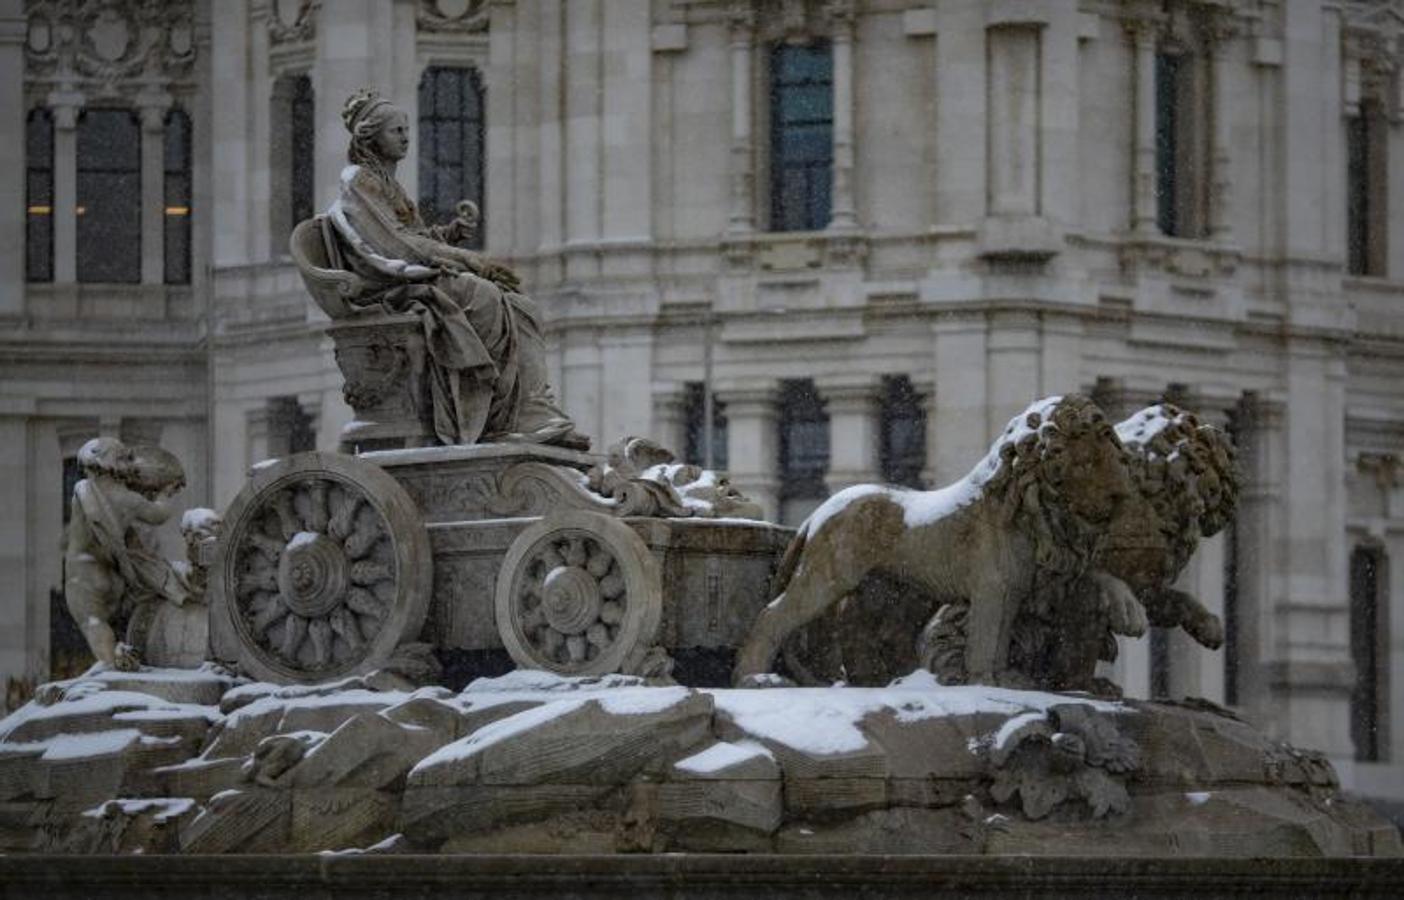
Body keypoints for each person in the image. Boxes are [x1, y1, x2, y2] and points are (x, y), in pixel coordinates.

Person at [328, 88, 588, 449]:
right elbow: (394, 245)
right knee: (484, 296)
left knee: (521, 306)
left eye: (406, 129)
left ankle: (529, 409)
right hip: (394, 285)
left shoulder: (387, 184)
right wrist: (464, 259)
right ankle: (496, 413)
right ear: (370, 137)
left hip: (415, 273)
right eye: (396, 131)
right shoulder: (359, 181)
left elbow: (412, 237)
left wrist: (452, 235)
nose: (406, 138)